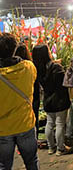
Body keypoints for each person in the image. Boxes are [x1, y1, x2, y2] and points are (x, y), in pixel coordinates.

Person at [0, 33, 39, 169]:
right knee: (32, 162)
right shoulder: (29, 67)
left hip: (3, 130)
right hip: (25, 124)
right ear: (14, 48)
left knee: (4, 166)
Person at [32, 44, 71, 156]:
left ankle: (51, 147)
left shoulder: (37, 69)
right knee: (59, 124)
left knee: (50, 123)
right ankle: (60, 149)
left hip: (48, 99)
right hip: (60, 99)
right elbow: (63, 82)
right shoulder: (56, 67)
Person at [15, 42, 41, 141]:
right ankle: (34, 140)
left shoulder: (13, 68)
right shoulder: (31, 66)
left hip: (19, 99)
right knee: (34, 119)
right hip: (32, 98)